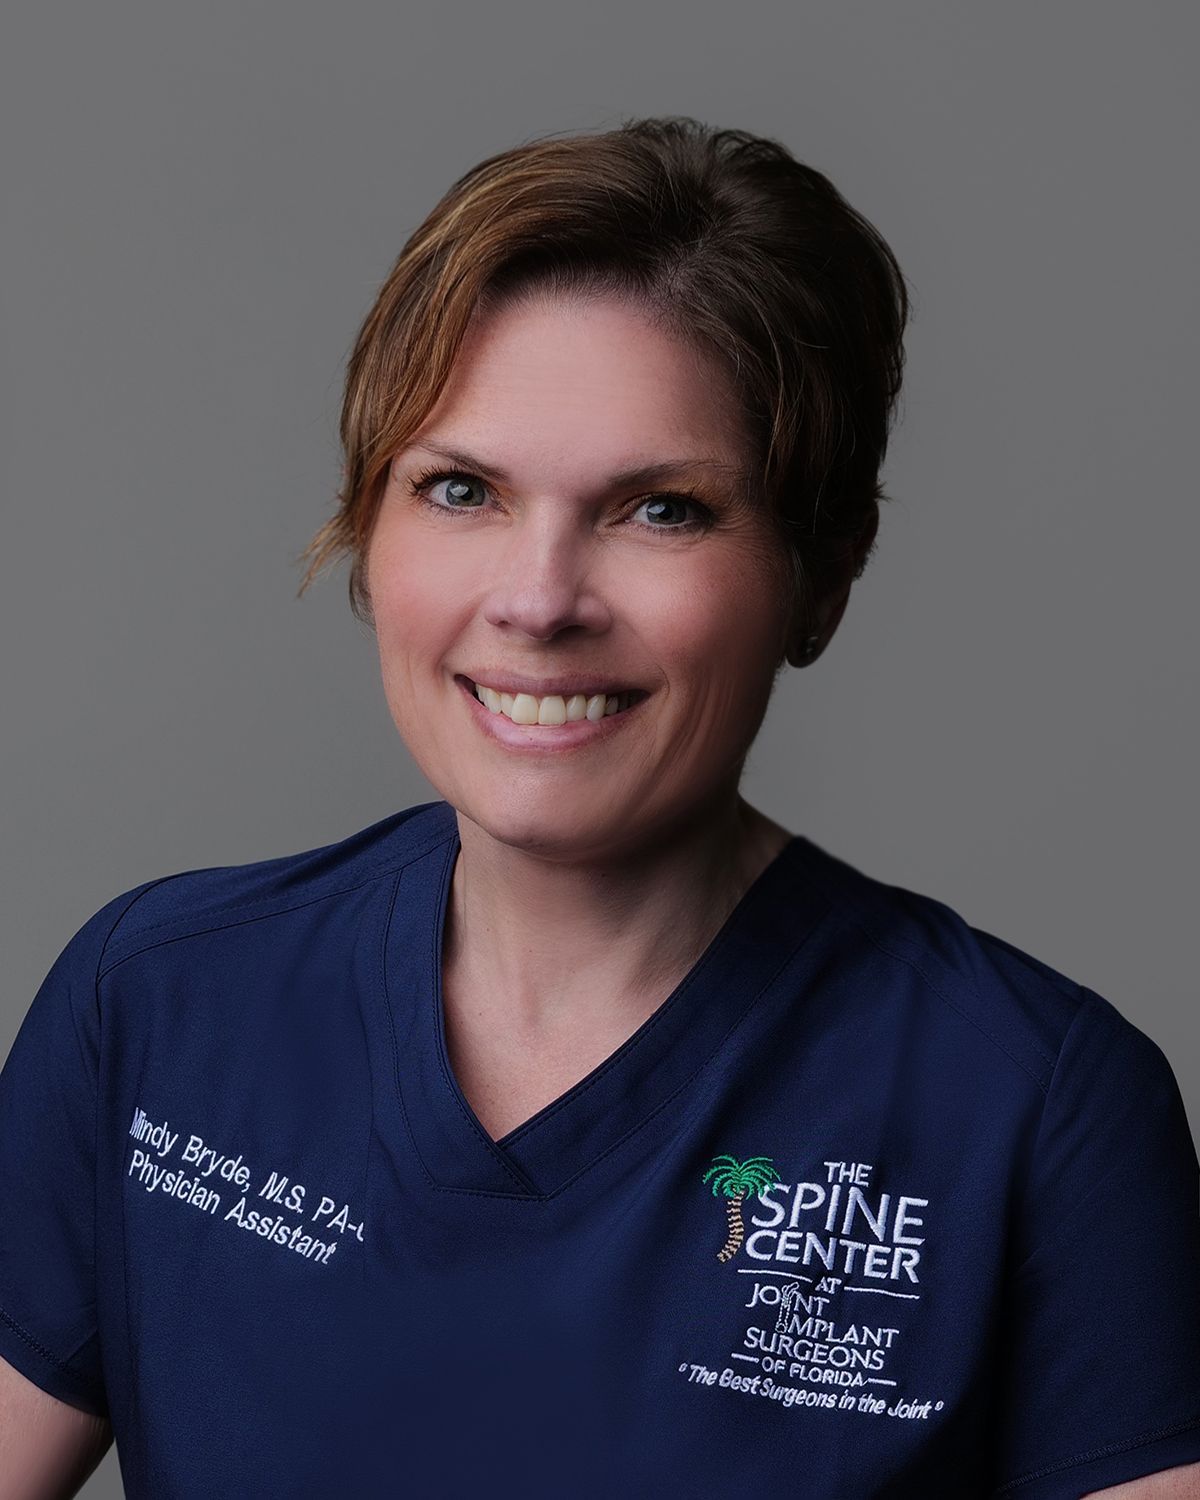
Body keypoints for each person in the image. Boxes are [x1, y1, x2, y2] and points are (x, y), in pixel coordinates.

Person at [1, 116, 1197, 1500]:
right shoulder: (159, 1007)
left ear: (823, 571)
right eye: (461, 490)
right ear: (368, 528)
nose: (539, 597)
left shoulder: (1033, 1109)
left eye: (661, 511)